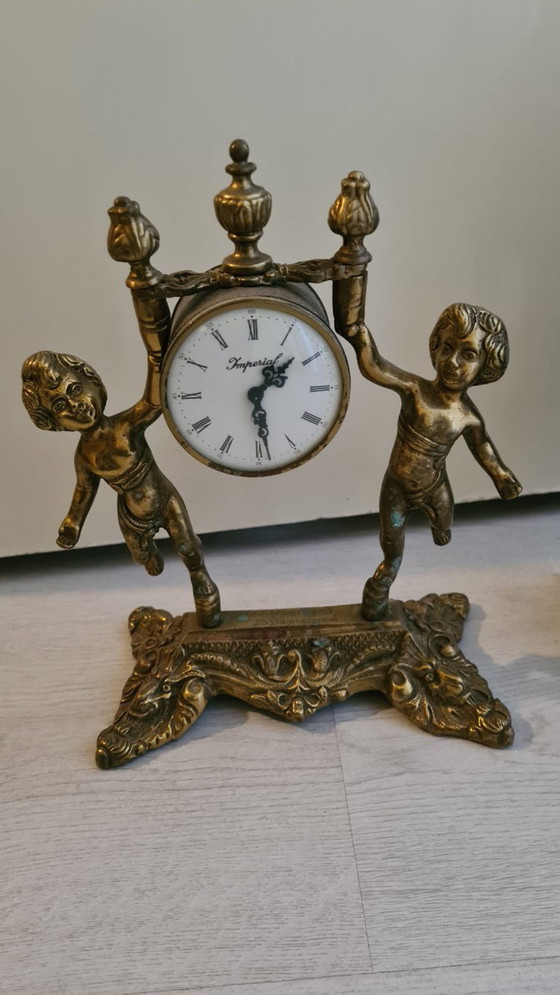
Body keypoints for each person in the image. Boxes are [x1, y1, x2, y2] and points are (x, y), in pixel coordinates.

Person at [339, 303, 522, 620]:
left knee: (443, 528)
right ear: (435, 347)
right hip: (396, 487)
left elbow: (483, 449)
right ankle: (384, 579)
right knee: (391, 543)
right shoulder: (416, 391)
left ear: (486, 366)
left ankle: (439, 528)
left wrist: (501, 475)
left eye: (468, 354)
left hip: (435, 487)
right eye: (447, 348)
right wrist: (359, 335)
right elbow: (376, 367)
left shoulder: (468, 418)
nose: (453, 362)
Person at [21, 349, 221, 628]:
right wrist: (73, 522)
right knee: (140, 554)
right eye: (60, 405)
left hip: (164, 500)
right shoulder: (84, 457)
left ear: (93, 382)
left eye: (75, 390)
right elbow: (84, 490)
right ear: (54, 423)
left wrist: (156, 361)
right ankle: (149, 552)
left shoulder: (126, 426)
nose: (76, 405)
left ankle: (200, 578)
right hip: (130, 515)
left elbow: (152, 403)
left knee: (187, 546)